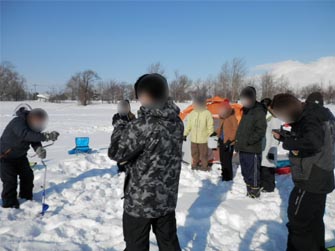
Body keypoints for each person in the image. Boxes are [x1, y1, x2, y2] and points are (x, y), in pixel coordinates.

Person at [108, 73, 183, 251]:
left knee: (136, 246)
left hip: (141, 203)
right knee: (169, 243)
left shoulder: (143, 125)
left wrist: (120, 125)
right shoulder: (176, 121)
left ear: (145, 95)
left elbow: (116, 152)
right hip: (166, 199)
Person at [271, 93, 335, 251]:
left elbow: (313, 141)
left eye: (283, 117)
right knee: (314, 219)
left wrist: (287, 142)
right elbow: (311, 136)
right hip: (322, 173)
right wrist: (286, 136)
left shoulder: (310, 118)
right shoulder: (317, 114)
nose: (284, 121)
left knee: (298, 222)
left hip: (310, 178)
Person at [0, 107, 59, 208]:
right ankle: (9, 204)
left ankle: (26, 197)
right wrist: (47, 136)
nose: (38, 124)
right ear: (31, 118)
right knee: (10, 180)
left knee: (28, 176)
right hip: (4, 157)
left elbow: (34, 139)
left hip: (20, 157)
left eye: (40, 122)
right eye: (37, 121)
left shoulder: (32, 127)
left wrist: (38, 149)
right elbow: (26, 135)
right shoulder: (17, 122)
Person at [235, 86, 267, 198]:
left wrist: (249, 141)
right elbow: (242, 129)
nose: (244, 101)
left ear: (252, 98)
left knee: (253, 172)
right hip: (243, 147)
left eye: (246, 98)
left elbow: (260, 130)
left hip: (252, 148)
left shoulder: (258, 111)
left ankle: (254, 192)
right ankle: (249, 189)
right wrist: (238, 143)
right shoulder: (245, 110)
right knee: (245, 171)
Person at [183, 96, 214, 171]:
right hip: (193, 139)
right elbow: (189, 126)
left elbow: (210, 126)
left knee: (203, 155)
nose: (194, 105)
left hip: (203, 140)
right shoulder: (192, 113)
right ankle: (194, 165)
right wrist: (185, 134)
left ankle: (204, 167)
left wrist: (212, 135)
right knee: (194, 154)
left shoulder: (207, 113)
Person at [260, 98, 282, 192]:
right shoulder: (266, 116)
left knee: (268, 167)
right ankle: (263, 185)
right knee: (263, 166)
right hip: (264, 145)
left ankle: (269, 187)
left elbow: (276, 135)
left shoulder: (275, 118)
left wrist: (272, 148)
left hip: (270, 147)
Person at [216, 99, 238, 181]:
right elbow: (220, 129)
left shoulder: (232, 117)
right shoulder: (222, 117)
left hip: (229, 142)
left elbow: (236, 130)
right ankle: (224, 174)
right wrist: (215, 134)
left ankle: (228, 177)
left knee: (227, 160)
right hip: (222, 141)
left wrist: (230, 140)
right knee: (222, 159)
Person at [111, 100, 136, 173]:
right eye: (122, 106)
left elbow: (135, 126)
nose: (124, 108)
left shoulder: (132, 116)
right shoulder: (117, 116)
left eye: (125, 107)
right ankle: (121, 167)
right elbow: (115, 123)